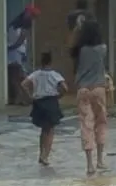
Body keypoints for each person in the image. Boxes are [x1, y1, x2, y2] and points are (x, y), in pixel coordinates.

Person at [70, 18, 109, 175]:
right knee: (101, 123)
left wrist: (77, 29)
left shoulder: (80, 50)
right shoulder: (102, 48)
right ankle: (100, 160)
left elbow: (71, 45)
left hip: (83, 89)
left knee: (86, 125)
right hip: (99, 89)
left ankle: (89, 164)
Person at [21, 51, 67, 166]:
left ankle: (41, 154)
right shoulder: (55, 74)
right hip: (51, 102)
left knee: (43, 130)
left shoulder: (36, 74)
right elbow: (65, 87)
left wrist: (30, 96)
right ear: (51, 62)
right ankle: (45, 156)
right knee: (50, 130)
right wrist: (60, 95)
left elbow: (24, 84)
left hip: (39, 102)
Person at [6, 5, 38, 105]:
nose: (32, 19)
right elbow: (20, 40)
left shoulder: (14, 26)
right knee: (19, 77)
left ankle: (21, 98)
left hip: (15, 53)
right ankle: (26, 98)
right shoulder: (22, 26)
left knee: (16, 78)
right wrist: (12, 47)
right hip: (15, 53)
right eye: (32, 16)